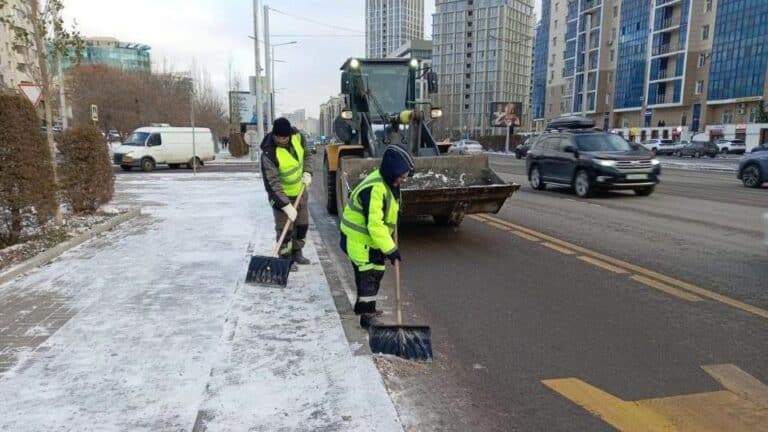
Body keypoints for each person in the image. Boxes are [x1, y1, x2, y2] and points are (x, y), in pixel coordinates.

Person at [339, 145, 415, 328]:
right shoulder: (374, 188)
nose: (402, 180)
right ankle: (367, 317)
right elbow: (374, 224)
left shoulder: (390, 183)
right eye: (401, 176)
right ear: (391, 172)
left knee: (377, 272)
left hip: (372, 241)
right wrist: (391, 250)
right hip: (359, 240)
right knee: (368, 276)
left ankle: (367, 308)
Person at [260, 118, 312, 269]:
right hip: (281, 197)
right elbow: (272, 184)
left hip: (300, 192)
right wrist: (285, 205)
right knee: (285, 230)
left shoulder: (298, 137)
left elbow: (307, 155)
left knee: (302, 226)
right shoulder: (269, 154)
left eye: (285, 137)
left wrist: (307, 172)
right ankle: (285, 259)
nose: (282, 140)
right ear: (274, 135)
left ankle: (297, 252)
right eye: (279, 137)